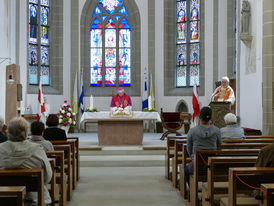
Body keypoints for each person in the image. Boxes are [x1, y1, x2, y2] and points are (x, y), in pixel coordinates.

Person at [0, 117, 52, 205]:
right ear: (26, 132)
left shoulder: (0, 148)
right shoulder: (36, 149)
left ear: (8, 131)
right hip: (34, 198)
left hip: (4, 196)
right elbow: (48, 176)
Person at [185, 106, 222, 186]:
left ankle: (192, 193)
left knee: (186, 170)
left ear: (200, 117)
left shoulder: (192, 131)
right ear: (211, 118)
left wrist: (193, 159)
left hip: (197, 165)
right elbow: (219, 146)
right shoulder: (217, 130)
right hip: (212, 165)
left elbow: (189, 148)